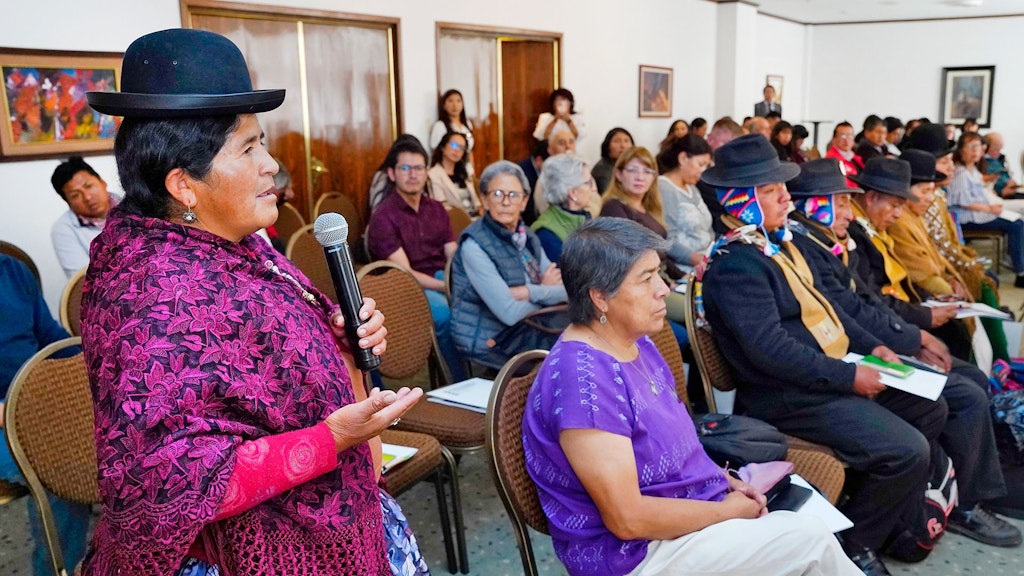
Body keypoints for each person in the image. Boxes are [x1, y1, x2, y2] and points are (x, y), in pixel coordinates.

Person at [81, 29, 424, 575]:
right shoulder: (147, 295)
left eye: (262, 141)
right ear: (184, 185)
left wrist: (336, 342)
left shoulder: (242, 248)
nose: (272, 165)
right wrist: (331, 439)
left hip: (337, 515)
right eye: (248, 148)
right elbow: (164, 484)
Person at [523, 217, 861, 576]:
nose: (664, 290)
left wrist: (723, 481)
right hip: (639, 555)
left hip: (685, 519)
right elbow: (628, 519)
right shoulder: (584, 383)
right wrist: (725, 512)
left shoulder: (637, 342)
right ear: (600, 297)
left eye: (659, 274)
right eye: (646, 278)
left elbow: (679, 445)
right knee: (809, 540)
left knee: (806, 535)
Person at [697, 134, 949, 575]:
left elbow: (828, 310)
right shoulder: (737, 264)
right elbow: (770, 352)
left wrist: (875, 349)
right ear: (742, 200)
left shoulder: (771, 246)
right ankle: (856, 544)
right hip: (786, 395)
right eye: (773, 192)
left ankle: (891, 517)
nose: (787, 199)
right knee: (908, 450)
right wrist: (849, 377)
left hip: (824, 375)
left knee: (930, 405)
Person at [787, 158, 1020, 554]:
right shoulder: (798, 250)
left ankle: (946, 493)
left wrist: (906, 338)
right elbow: (846, 315)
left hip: (865, 347)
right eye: (841, 203)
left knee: (966, 384)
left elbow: (859, 303)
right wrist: (909, 339)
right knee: (960, 395)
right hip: (838, 365)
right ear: (814, 205)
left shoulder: (823, 243)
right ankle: (949, 504)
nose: (849, 211)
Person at [0, 253, 91, 576]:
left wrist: (99, 362)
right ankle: (56, 569)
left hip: (35, 400)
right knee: (64, 471)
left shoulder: (11, 270)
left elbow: (49, 337)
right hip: (6, 414)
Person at [449, 161, 567, 369]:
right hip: (492, 338)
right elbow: (509, 312)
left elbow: (566, 292)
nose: (505, 202)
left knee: (582, 337)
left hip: (528, 326)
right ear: (484, 200)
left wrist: (528, 291)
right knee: (566, 357)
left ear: (524, 201)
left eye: (513, 195)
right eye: (497, 194)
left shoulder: (527, 237)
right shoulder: (474, 245)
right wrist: (546, 291)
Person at [366, 135, 466, 380]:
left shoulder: (436, 209)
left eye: (419, 168)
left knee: (479, 303)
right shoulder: (383, 217)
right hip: (407, 287)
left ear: (426, 172)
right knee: (445, 314)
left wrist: (460, 280)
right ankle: (457, 380)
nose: (413, 174)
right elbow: (405, 273)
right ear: (392, 174)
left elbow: (451, 251)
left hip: (441, 275)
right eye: (405, 168)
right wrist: (446, 287)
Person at [947, 131, 1024, 287]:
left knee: (1019, 221)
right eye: (971, 147)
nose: (976, 151)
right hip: (967, 216)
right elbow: (964, 202)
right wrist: (990, 208)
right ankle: (1020, 272)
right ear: (961, 149)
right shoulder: (961, 172)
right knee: (1016, 225)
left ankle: (1017, 262)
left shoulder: (972, 169)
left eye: (978, 147)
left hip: (980, 211)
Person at [49, 156, 118, 278]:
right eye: (75, 195)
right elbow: (82, 280)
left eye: (89, 186)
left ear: (102, 182)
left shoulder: (136, 205)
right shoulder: (64, 229)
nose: (87, 197)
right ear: (68, 202)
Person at [658, 135, 714, 272]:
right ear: (683, 158)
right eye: (701, 164)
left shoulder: (692, 188)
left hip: (707, 258)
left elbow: (707, 228)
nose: (703, 171)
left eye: (706, 166)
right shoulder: (663, 188)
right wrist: (698, 259)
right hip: (685, 268)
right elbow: (667, 240)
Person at [530, 153, 594, 263]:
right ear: (573, 193)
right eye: (589, 183)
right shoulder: (546, 234)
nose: (593, 189)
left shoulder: (582, 217)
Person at [428, 131, 480, 215]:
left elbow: (476, 202)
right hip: (454, 220)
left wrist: (480, 208)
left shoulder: (463, 173)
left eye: (462, 148)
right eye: (454, 145)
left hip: (474, 218)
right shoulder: (433, 175)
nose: (457, 150)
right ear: (443, 147)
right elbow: (442, 205)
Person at [529, 129, 579, 218]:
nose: (568, 146)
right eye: (562, 143)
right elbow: (545, 210)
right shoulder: (546, 178)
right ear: (550, 150)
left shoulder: (582, 171)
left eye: (571, 142)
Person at [429, 89, 474, 168]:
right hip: (448, 168)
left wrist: (472, 170)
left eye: (458, 101)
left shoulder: (467, 124)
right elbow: (437, 151)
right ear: (444, 105)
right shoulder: (440, 126)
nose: (455, 105)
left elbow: (469, 151)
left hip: (466, 168)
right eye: (450, 101)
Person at [592, 127, 633, 194]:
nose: (623, 146)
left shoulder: (628, 166)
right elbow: (608, 198)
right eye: (617, 141)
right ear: (607, 146)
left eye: (626, 141)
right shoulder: (602, 170)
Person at [983, 132, 1020, 198]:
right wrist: (1001, 193)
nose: (999, 152)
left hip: (1010, 193)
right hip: (997, 196)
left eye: (1000, 148)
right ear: (986, 147)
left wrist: (1012, 183)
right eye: (996, 149)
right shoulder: (980, 163)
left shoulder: (999, 159)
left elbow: (1006, 174)